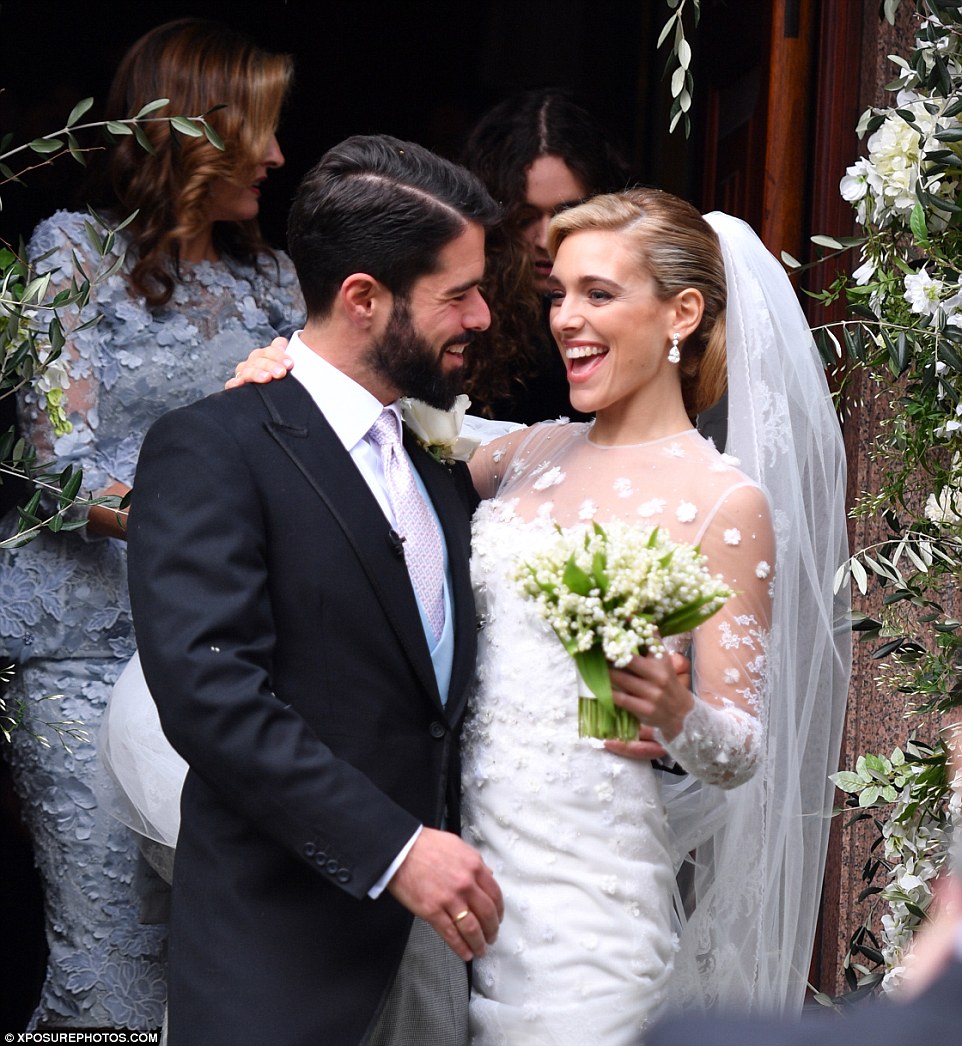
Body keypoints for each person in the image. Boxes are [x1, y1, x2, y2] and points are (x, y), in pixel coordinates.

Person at [230, 188, 851, 1042]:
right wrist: (288, 378)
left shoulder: (724, 502)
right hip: (449, 896)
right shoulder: (526, 453)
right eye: (558, 294)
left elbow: (740, 751)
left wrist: (676, 712)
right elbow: (362, 449)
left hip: (586, 914)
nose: (565, 318)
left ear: (683, 312)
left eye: (598, 293)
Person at [126, 134, 505, 1046]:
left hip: (443, 953)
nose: (486, 316)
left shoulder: (438, 456)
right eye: (457, 294)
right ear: (364, 299)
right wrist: (394, 849)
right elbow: (211, 696)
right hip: (281, 962)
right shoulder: (215, 446)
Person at [0, 18, 301, 1030]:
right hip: (85, 648)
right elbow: (54, 470)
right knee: (109, 944)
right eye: (257, 129)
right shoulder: (69, 254)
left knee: (224, 944)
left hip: (230, 654)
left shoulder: (272, 283)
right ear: (192, 133)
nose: (275, 155)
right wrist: (199, 523)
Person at [458, 88, 630, 423]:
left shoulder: (628, 306)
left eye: (569, 214)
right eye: (524, 218)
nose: (545, 238)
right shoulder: (465, 315)